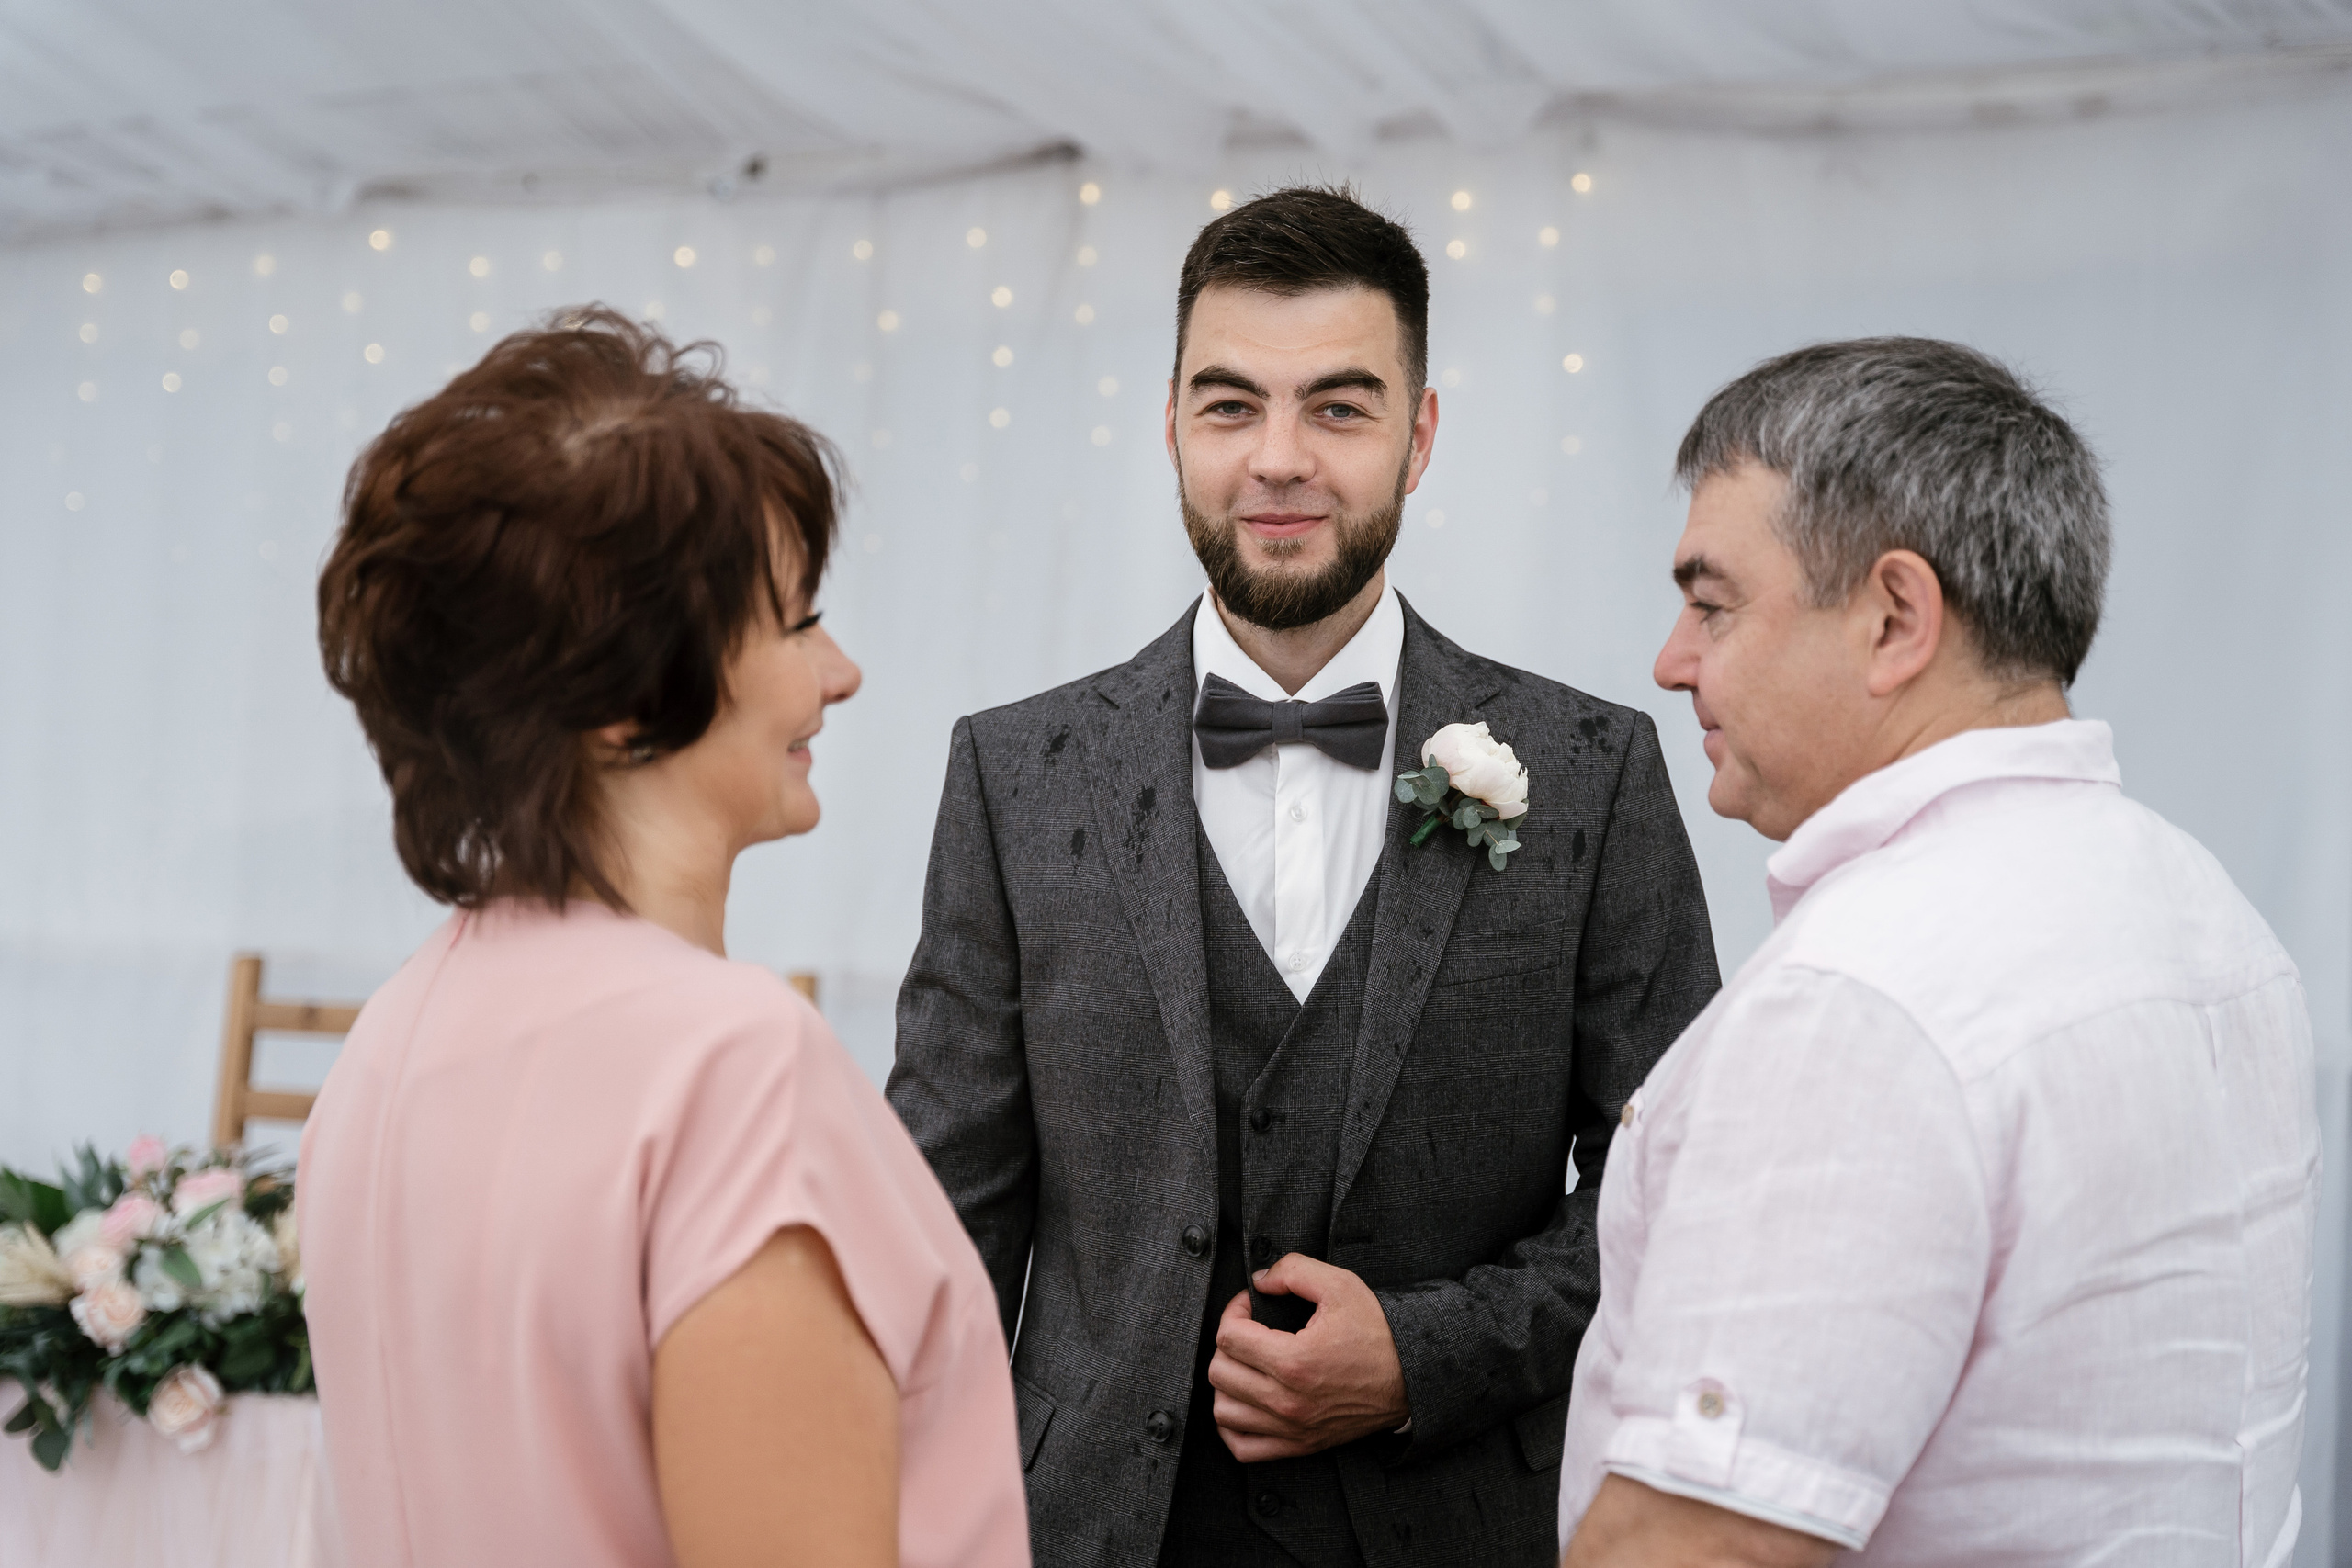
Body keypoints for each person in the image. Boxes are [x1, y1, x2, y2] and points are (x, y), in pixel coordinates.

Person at [887, 186, 1720, 1568]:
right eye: (1230, 408)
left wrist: (1424, 1353)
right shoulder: (1012, 776)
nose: (1279, 460)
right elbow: (945, 1227)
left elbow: (1682, 1193)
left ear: (1420, 434)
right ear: (1169, 426)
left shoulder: (1594, 771)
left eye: (1337, 408)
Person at [1558, 337, 2321, 1567]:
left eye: (1712, 606)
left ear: (1896, 618)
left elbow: (1702, 1547)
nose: (1672, 661)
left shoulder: (1863, 1002)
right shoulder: (2208, 913)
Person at [299, 310, 1029, 1568]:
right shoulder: (729, 1067)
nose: (841, 673)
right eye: (799, 624)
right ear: (627, 703)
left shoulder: (391, 1041)